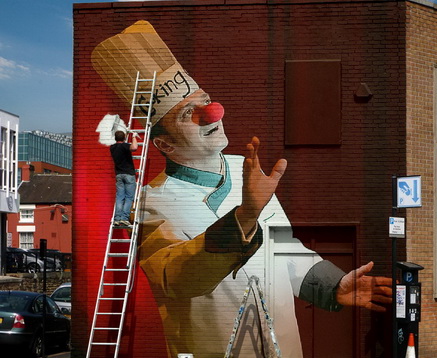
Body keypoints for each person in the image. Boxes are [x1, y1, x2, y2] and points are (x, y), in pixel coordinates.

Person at [92, 20, 393, 358]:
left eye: (206, 100)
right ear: (164, 144)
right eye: (188, 114)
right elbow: (176, 277)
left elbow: (284, 248)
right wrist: (246, 216)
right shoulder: (150, 203)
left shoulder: (245, 169)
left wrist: (332, 285)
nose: (211, 114)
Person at [110, 130, 139, 226]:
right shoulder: (125, 146)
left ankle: (117, 218)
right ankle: (124, 218)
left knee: (119, 197)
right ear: (124, 138)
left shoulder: (112, 147)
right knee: (129, 197)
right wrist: (134, 136)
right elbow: (134, 147)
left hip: (119, 175)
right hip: (128, 175)